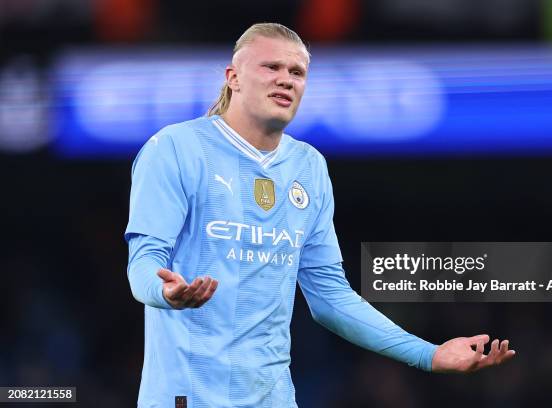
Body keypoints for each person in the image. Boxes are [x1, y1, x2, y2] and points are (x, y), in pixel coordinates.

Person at [125, 22, 515, 407]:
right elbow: (143, 264)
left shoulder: (308, 166)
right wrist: (166, 293)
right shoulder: (175, 148)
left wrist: (429, 355)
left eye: (296, 72)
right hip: (186, 397)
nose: (286, 80)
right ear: (234, 78)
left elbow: (330, 297)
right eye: (271, 67)